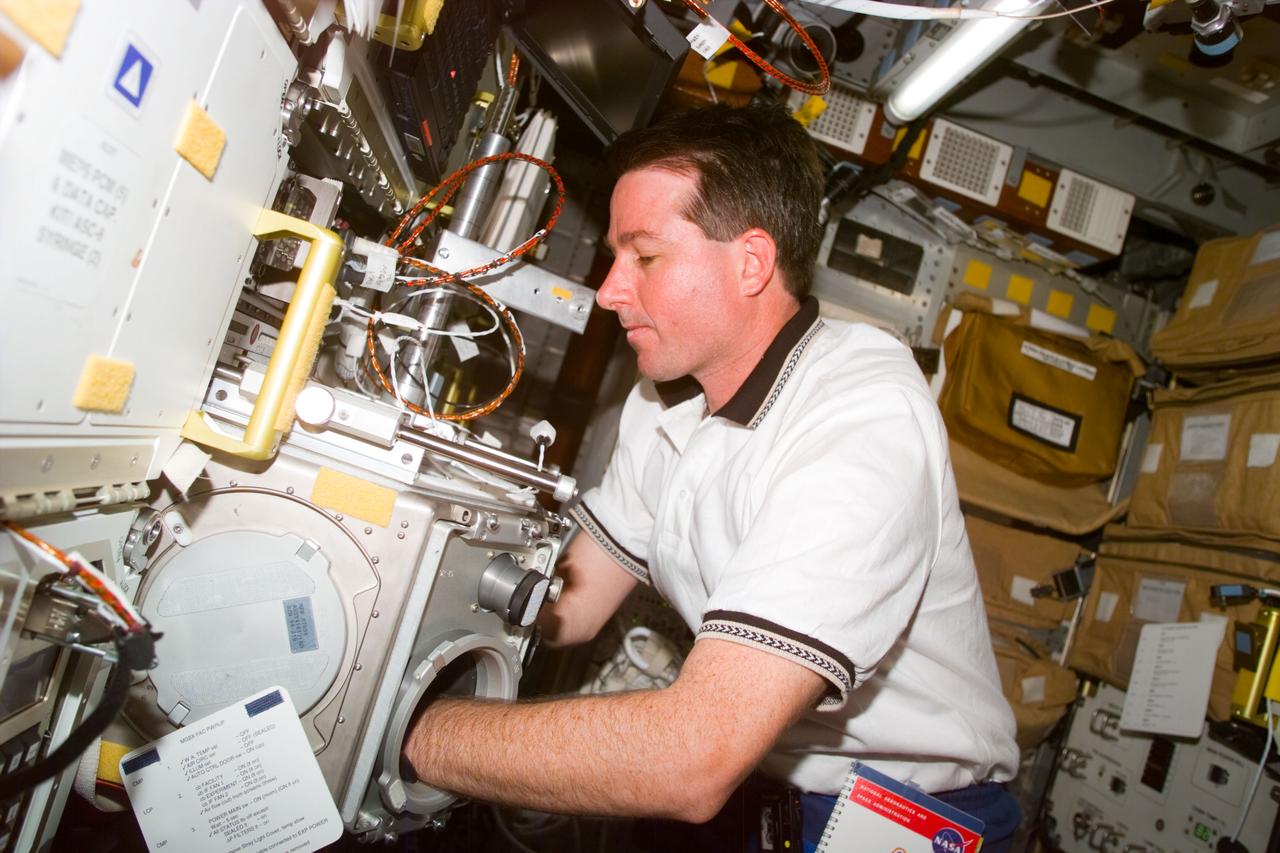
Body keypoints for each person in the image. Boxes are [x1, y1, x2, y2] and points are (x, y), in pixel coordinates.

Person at [403, 103, 1020, 851]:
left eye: (645, 257)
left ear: (751, 261)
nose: (608, 291)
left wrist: (408, 730)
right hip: (758, 783)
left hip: (893, 815)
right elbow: (572, 604)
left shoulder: (862, 419)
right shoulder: (664, 400)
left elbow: (691, 758)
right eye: (611, 258)